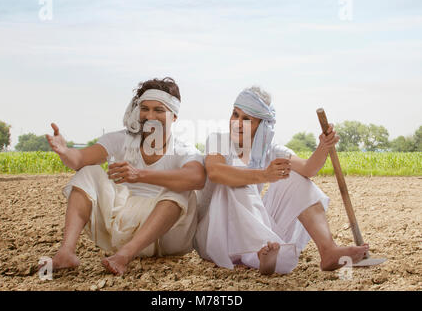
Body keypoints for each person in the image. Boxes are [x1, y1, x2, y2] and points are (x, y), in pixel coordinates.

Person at [194, 86, 369, 275]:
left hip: (253, 228)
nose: (237, 123)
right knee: (238, 184)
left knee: (295, 177)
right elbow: (215, 172)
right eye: (235, 114)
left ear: (261, 125)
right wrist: (263, 175)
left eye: (246, 119)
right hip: (215, 236)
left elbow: (308, 169)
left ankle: (327, 250)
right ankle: (258, 254)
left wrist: (323, 147)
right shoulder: (218, 140)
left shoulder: (269, 149)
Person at [42, 77, 206, 275]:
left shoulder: (183, 149)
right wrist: (65, 151)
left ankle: (124, 256)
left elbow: (197, 177)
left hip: (166, 237)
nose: (150, 115)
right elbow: (79, 160)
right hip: (122, 226)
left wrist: (139, 175)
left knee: (181, 188)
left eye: (159, 110)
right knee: (88, 172)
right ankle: (66, 253)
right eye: (145, 108)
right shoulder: (121, 139)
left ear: (174, 116)